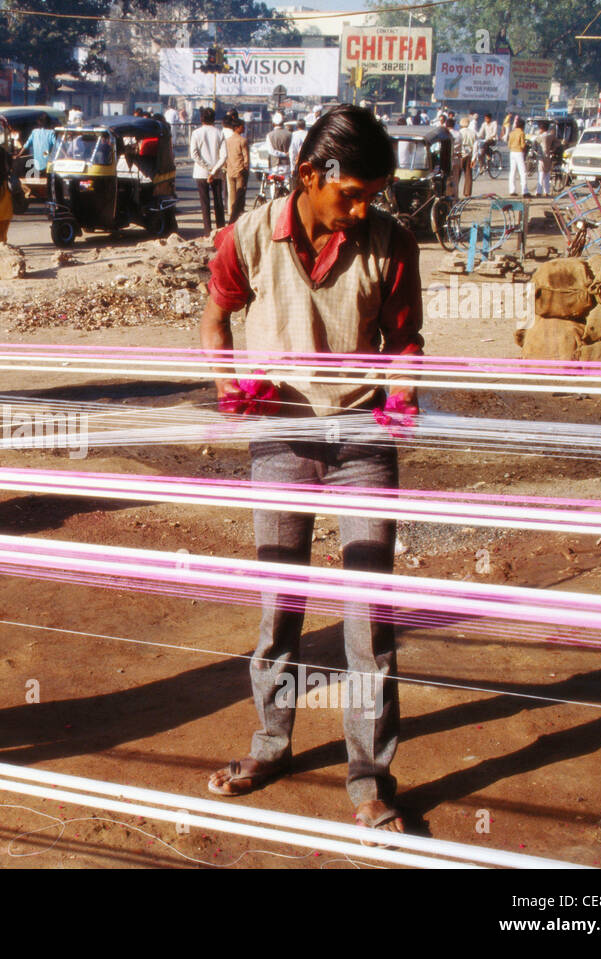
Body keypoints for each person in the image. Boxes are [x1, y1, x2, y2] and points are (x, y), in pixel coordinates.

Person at [200, 105, 422, 843]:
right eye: (352, 194)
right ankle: (271, 742)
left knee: (368, 617)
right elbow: (215, 317)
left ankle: (368, 777)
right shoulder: (251, 236)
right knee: (280, 600)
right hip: (282, 432)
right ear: (308, 176)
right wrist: (226, 379)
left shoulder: (390, 243)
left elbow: (404, 340)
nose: (363, 210)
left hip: (361, 438)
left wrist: (403, 388)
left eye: (374, 195)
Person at [190, 106, 226, 234]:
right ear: (214, 119)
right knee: (218, 202)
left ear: (201, 119)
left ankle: (207, 231)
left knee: (205, 203)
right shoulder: (219, 133)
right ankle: (221, 229)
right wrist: (214, 169)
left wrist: (207, 167)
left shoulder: (196, 133)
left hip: (201, 173)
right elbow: (224, 156)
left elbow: (194, 154)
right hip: (216, 173)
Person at [225, 117, 250, 222]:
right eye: (242, 126)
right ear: (237, 128)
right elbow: (246, 158)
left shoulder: (228, 141)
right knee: (240, 194)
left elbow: (226, 156)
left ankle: (232, 214)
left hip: (230, 170)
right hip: (240, 170)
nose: (243, 128)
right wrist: (246, 169)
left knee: (232, 194)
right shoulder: (243, 141)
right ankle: (238, 214)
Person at [534, 120, 555, 196]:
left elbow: (535, 144)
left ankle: (539, 191)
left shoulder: (541, 137)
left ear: (542, 128)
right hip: (548, 156)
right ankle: (546, 191)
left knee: (541, 173)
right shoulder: (550, 136)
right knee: (547, 174)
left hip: (541, 156)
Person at [458, 116, 476, 197]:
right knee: (468, 174)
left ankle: (455, 191)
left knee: (457, 174)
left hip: (460, 154)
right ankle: (467, 192)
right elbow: (476, 146)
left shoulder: (459, 132)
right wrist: (474, 158)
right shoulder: (473, 133)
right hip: (469, 154)